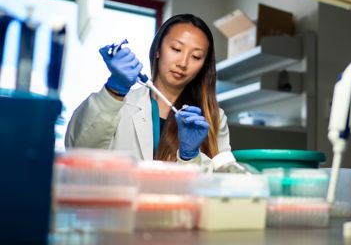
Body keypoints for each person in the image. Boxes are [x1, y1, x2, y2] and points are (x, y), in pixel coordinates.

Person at [65, 14, 231, 165]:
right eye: (176, 49)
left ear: (203, 65)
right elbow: (78, 151)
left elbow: (222, 179)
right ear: (158, 49)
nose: (183, 63)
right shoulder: (120, 103)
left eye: (196, 56)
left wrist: (190, 157)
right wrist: (114, 90)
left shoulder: (212, 117)